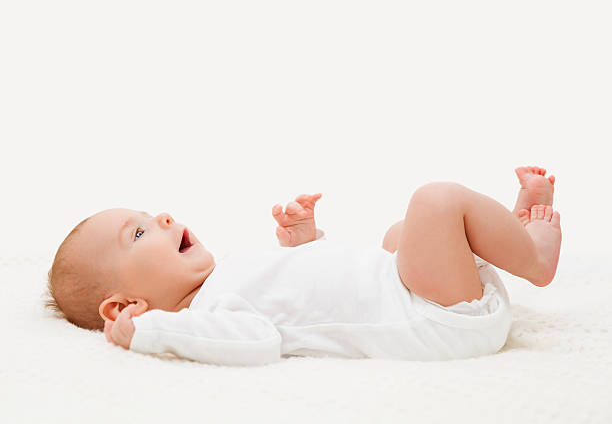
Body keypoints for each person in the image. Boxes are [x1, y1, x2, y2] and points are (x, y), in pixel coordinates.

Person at [44, 166, 560, 365]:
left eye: (149, 215)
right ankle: (533, 257)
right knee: (435, 202)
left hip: (412, 292)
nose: (161, 217)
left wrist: (306, 242)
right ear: (127, 304)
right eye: (137, 233)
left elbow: (310, 291)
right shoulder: (204, 315)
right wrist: (148, 332)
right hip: (430, 319)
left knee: (396, 237)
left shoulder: (227, 277)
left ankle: (508, 234)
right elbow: (260, 341)